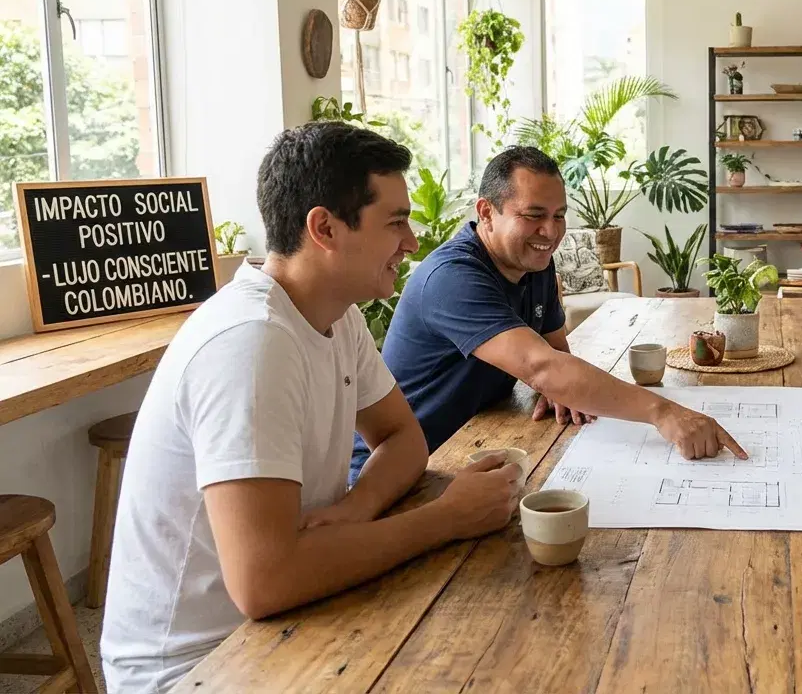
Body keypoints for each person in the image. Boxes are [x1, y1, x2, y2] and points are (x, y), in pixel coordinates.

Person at [101, 123, 523, 692]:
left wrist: (357, 508)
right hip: (195, 666)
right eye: (395, 222)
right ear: (324, 228)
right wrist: (446, 518)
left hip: (289, 615)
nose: (412, 241)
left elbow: (404, 439)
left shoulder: (336, 314)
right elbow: (265, 582)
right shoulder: (252, 343)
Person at [350, 145, 743, 484]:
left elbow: (556, 355)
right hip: (397, 473)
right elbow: (543, 367)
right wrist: (663, 412)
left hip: (478, 444)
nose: (550, 232)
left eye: (558, 215)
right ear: (486, 212)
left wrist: (557, 386)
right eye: (533, 215)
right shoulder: (452, 276)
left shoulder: (534, 263)